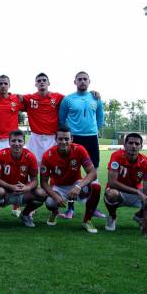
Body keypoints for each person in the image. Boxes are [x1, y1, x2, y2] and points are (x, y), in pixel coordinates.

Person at [58, 71, 105, 218]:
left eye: (85, 79)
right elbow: (62, 119)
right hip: (75, 138)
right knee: (73, 173)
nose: (82, 81)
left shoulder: (96, 98)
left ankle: (92, 207)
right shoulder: (68, 99)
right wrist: (70, 135)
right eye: (80, 79)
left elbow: (100, 118)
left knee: (93, 173)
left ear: (89, 81)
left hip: (91, 138)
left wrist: (92, 129)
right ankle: (70, 208)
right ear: (75, 82)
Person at [103, 133, 147, 237]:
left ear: (141, 146)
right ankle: (112, 216)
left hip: (137, 194)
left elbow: (146, 192)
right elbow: (112, 182)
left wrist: (146, 219)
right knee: (111, 194)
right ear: (124, 145)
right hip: (119, 192)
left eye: (137, 144)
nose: (133, 146)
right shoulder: (117, 156)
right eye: (130, 143)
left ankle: (140, 216)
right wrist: (137, 192)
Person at [40, 126, 101, 234]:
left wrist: (78, 186)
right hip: (58, 186)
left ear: (71, 139)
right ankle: (54, 212)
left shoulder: (79, 149)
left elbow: (93, 173)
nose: (63, 142)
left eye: (66, 139)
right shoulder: (47, 155)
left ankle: (87, 220)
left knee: (96, 186)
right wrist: (55, 196)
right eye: (60, 139)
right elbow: (43, 182)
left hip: (76, 184)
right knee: (50, 203)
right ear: (55, 139)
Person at [0, 75, 24, 217]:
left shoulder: (16, 100)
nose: (3, 85)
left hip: (12, 142)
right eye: (0, 83)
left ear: (9, 85)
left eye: (5, 83)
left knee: (17, 171)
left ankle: (16, 205)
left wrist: (21, 96)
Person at [0, 130, 47, 229]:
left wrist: (27, 188)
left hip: (22, 193)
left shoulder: (30, 157)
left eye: (19, 141)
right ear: (9, 142)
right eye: (14, 141)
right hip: (5, 192)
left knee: (41, 193)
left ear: (24, 142)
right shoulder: (1, 154)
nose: (17, 144)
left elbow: (35, 180)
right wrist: (10, 187)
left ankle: (25, 214)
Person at [22, 73, 64, 166]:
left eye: (44, 80)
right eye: (39, 81)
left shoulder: (57, 97)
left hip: (52, 138)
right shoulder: (29, 98)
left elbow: (73, 100)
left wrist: (92, 93)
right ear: (35, 84)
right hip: (35, 138)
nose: (42, 82)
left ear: (48, 83)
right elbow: (13, 98)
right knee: (31, 167)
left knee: (54, 167)